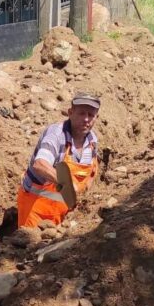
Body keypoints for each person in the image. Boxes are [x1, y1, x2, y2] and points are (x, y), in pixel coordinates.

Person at [17, 92, 101, 228]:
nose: (86, 119)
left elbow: (91, 173)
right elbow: (40, 164)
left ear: (96, 117)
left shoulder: (92, 140)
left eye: (90, 115)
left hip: (66, 211)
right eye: (81, 113)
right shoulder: (56, 135)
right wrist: (66, 184)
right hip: (36, 209)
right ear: (70, 113)